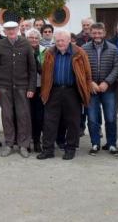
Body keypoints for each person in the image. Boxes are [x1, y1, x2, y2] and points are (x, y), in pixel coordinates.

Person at [37, 30, 93, 161]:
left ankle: (70, 149)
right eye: (58, 41)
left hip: (72, 91)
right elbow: (45, 72)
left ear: (69, 40)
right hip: (54, 90)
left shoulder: (79, 52)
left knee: (73, 121)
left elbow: (87, 72)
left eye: (63, 40)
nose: (60, 43)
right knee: (49, 121)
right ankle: (48, 149)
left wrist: (86, 89)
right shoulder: (50, 53)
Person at [0, 21, 37, 158]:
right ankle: (9, 143)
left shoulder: (26, 44)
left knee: (23, 116)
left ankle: (23, 145)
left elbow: (32, 68)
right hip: (4, 87)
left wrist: (31, 87)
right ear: (4, 31)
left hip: (22, 87)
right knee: (7, 116)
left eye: (13, 29)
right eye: (8, 29)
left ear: (18, 29)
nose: (11, 31)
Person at [81, 22, 118, 156]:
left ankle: (111, 144)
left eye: (99, 33)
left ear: (104, 33)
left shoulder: (113, 48)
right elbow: (80, 68)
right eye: (94, 33)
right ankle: (95, 143)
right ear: (90, 33)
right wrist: (90, 82)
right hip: (91, 89)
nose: (97, 35)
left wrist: (107, 82)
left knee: (110, 117)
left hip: (108, 89)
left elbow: (117, 67)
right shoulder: (84, 49)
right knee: (92, 118)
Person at [26, 28, 47, 152]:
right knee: (26, 116)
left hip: (40, 87)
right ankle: (26, 141)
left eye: (36, 38)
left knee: (39, 116)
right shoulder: (22, 50)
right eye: (31, 38)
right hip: (26, 87)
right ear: (26, 39)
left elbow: (45, 70)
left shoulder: (44, 51)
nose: (33, 40)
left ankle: (37, 140)